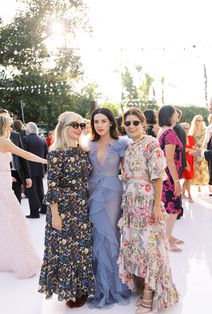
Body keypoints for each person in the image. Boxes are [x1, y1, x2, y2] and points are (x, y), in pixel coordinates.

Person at [118, 107, 179, 314]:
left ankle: (149, 295)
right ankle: (143, 286)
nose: (132, 126)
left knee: (150, 248)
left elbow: (158, 176)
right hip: (130, 202)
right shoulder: (128, 146)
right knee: (137, 247)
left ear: (143, 124)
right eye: (128, 123)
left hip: (147, 201)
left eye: (136, 122)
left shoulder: (151, 143)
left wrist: (155, 206)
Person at [0, 114, 46, 278]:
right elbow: (25, 155)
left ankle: (0, 259)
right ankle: (23, 263)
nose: (11, 128)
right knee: (15, 221)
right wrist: (45, 161)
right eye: (9, 125)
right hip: (1, 186)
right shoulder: (3, 141)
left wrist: (8, 175)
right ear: (3, 126)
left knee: (0, 221)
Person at [38, 112, 95, 308]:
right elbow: (52, 187)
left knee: (82, 250)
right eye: (74, 125)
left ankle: (82, 289)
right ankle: (69, 291)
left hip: (82, 207)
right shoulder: (55, 154)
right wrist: (55, 215)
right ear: (63, 128)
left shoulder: (84, 151)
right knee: (65, 252)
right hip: (63, 210)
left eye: (81, 124)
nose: (79, 128)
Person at [87, 108, 130, 308]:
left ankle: (114, 285)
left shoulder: (122, 143)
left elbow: (129, 171)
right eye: (96, 121)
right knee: (97, 235)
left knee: (111, 235)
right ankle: (98, 286)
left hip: (113, 192)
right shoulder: (89, 143)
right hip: (93, 192)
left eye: (104, 121)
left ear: (111, 122)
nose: (100, 125)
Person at [158, 105, 184, 252]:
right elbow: (169, 159)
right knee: (173, 208)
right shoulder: (170, 134)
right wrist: (176, 181)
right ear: (170, 115)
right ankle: (166, 239)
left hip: (165, 176)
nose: (177, 115)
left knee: (170, 207)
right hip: (169, 177)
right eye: (175, 113)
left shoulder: (163, 132)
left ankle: (169, 235)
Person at [23, 122, 48, 217]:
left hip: (30, 169)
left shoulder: (25, 139)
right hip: (40, 168)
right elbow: (46, 155)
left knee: (31, 191)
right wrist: (45, 168)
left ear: (28, 130)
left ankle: (34, 212)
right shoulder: (42, 140)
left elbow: (24, 155)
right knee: (40, 189)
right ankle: (44, 208)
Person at [189, 115, 208, 192]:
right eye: (198, 120)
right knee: (197, 168)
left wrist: (203, 148)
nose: (200, 122)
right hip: (196, 151)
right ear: (195, 121)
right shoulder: (192, 131)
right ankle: (198, 185)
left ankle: (207, 185)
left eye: (201, 120)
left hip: (203, 150)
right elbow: (191, 141)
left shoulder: (205, 130)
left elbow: (207, 140)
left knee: (204, 168)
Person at [180, 122, 195, 202]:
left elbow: (193, 148)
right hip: (184, 159)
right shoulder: (180, 138)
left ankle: (183, 193)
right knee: (188, 178)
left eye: (188, 128)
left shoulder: (190, 137)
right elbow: (181, 150)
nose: (187, 129)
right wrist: (190, 150)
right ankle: (189, 195)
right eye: (185, 128)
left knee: (188, 178)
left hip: (191, 159)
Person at [173, 109, 187, 178]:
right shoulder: (179, 127)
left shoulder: (175, 128)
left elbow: (176, 147)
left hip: (176, 163)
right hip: (179, 162)